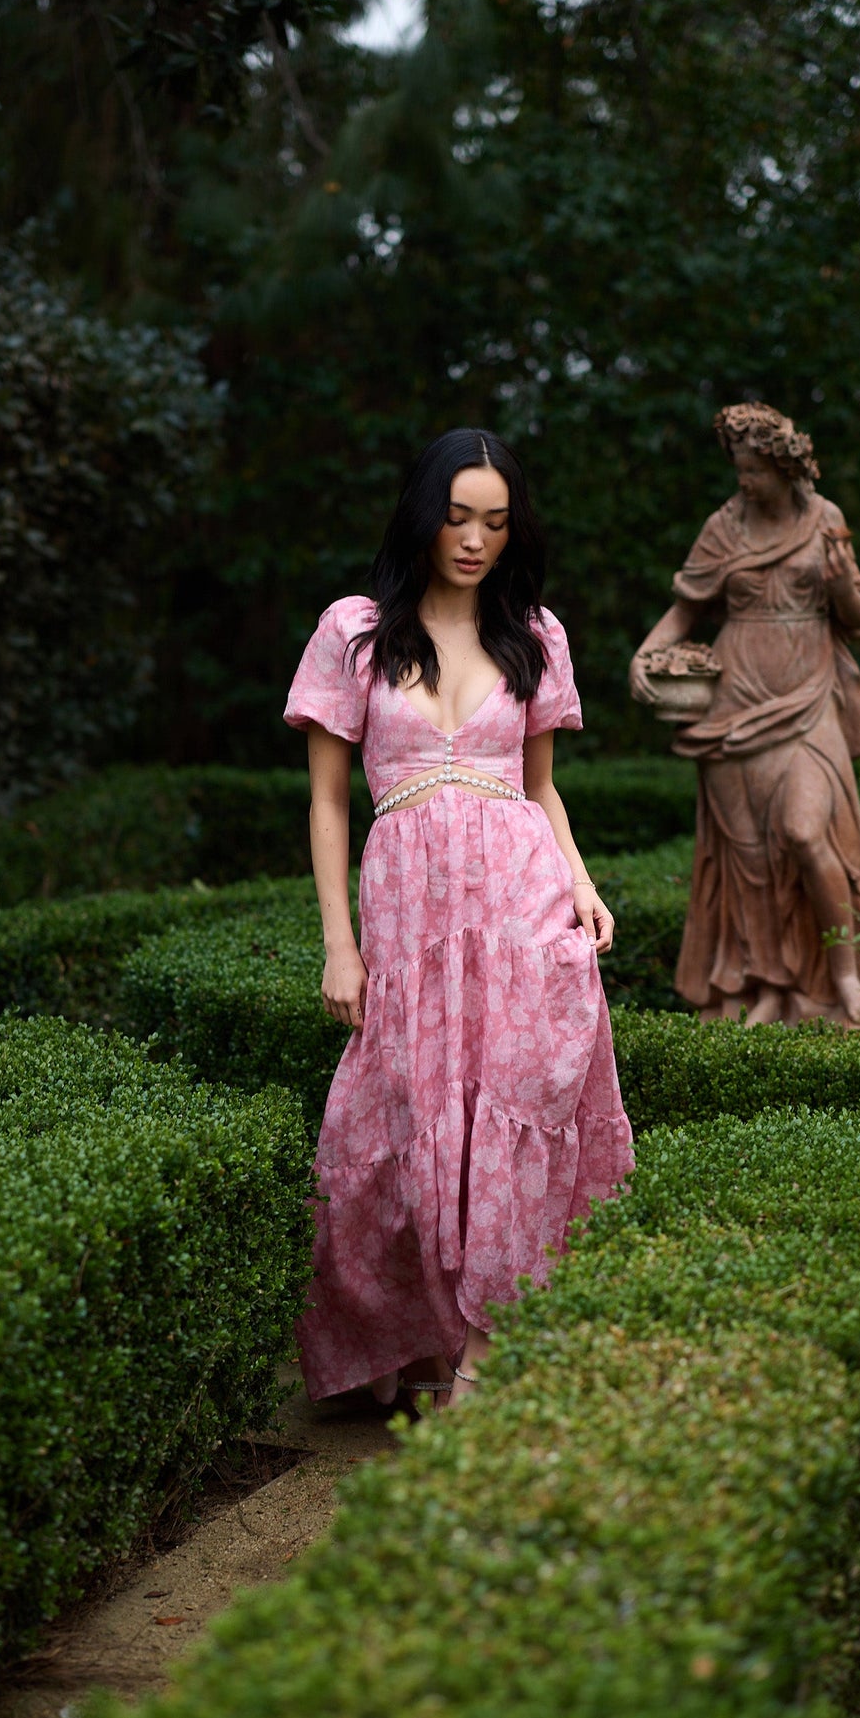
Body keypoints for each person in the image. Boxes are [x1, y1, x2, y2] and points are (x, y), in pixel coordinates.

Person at [284, 427, 634, 1409]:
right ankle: (426, 1339)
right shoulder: (353, 630)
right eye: (455, 517)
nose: (474, 538)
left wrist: (582, 881)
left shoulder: (536, 633)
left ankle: (486, 1353)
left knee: (515, 1104)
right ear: (421, 515)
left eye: (494, 520)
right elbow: (326, 803)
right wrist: (337, 945)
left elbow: (540, 791)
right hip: (407, 911)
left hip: (519, 896)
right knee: (407, 1113)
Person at [630, 402, 860, 1028]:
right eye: (737, 469)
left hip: (807, 698)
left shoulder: (825, 519)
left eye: (753, 470)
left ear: (783, 466)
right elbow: (686, 610)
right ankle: (770, 986)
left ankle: (847, 980)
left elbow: (857, 619)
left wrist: (844, 583)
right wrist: (645, 655)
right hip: (732, 700)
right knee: (748, 859)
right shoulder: (724, 527)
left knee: (803, 832)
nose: (743, 481)